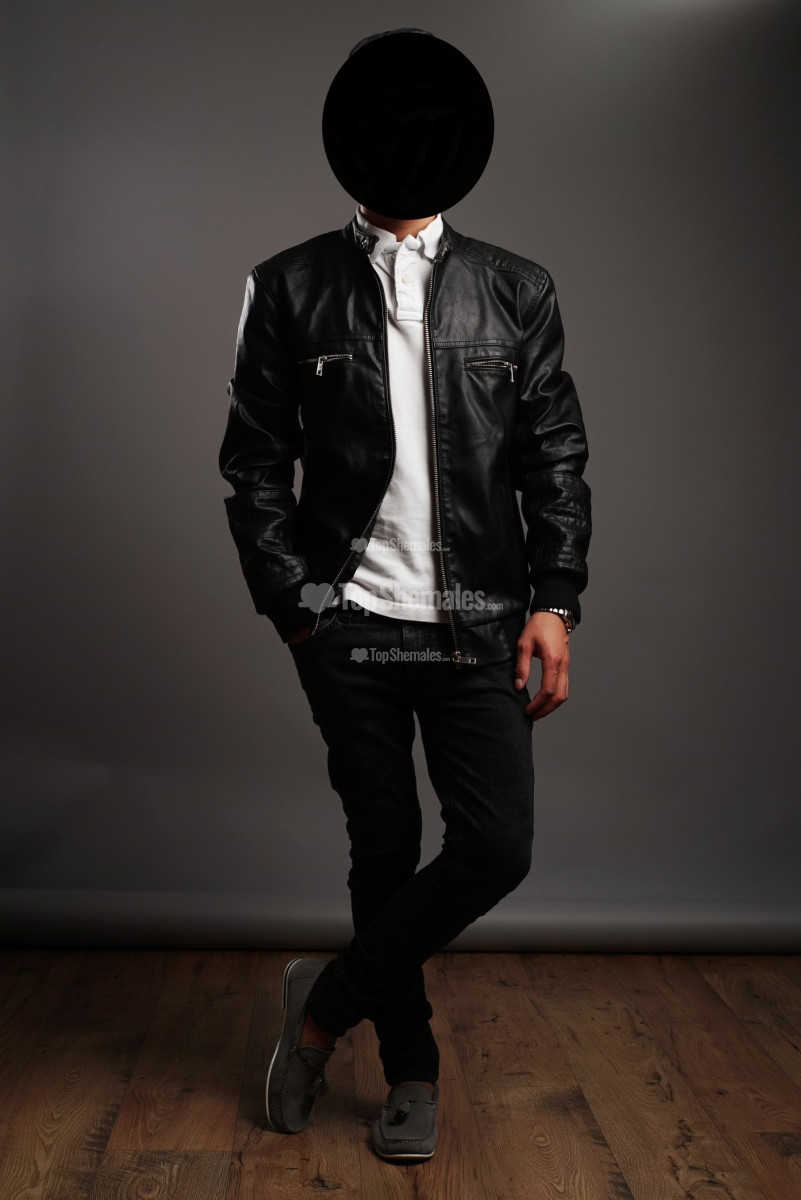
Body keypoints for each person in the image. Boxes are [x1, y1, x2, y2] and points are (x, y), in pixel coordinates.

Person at [218, 28, 591, 1163]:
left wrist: (556, 599)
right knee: (382, 845)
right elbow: (253, 464)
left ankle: (324, 1006)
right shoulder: (286, 286)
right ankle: (411, 1072)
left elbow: (554, 457)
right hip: (351, 626)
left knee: (494, 847)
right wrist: (295, 607)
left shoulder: (517, 289)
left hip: (480, 622)